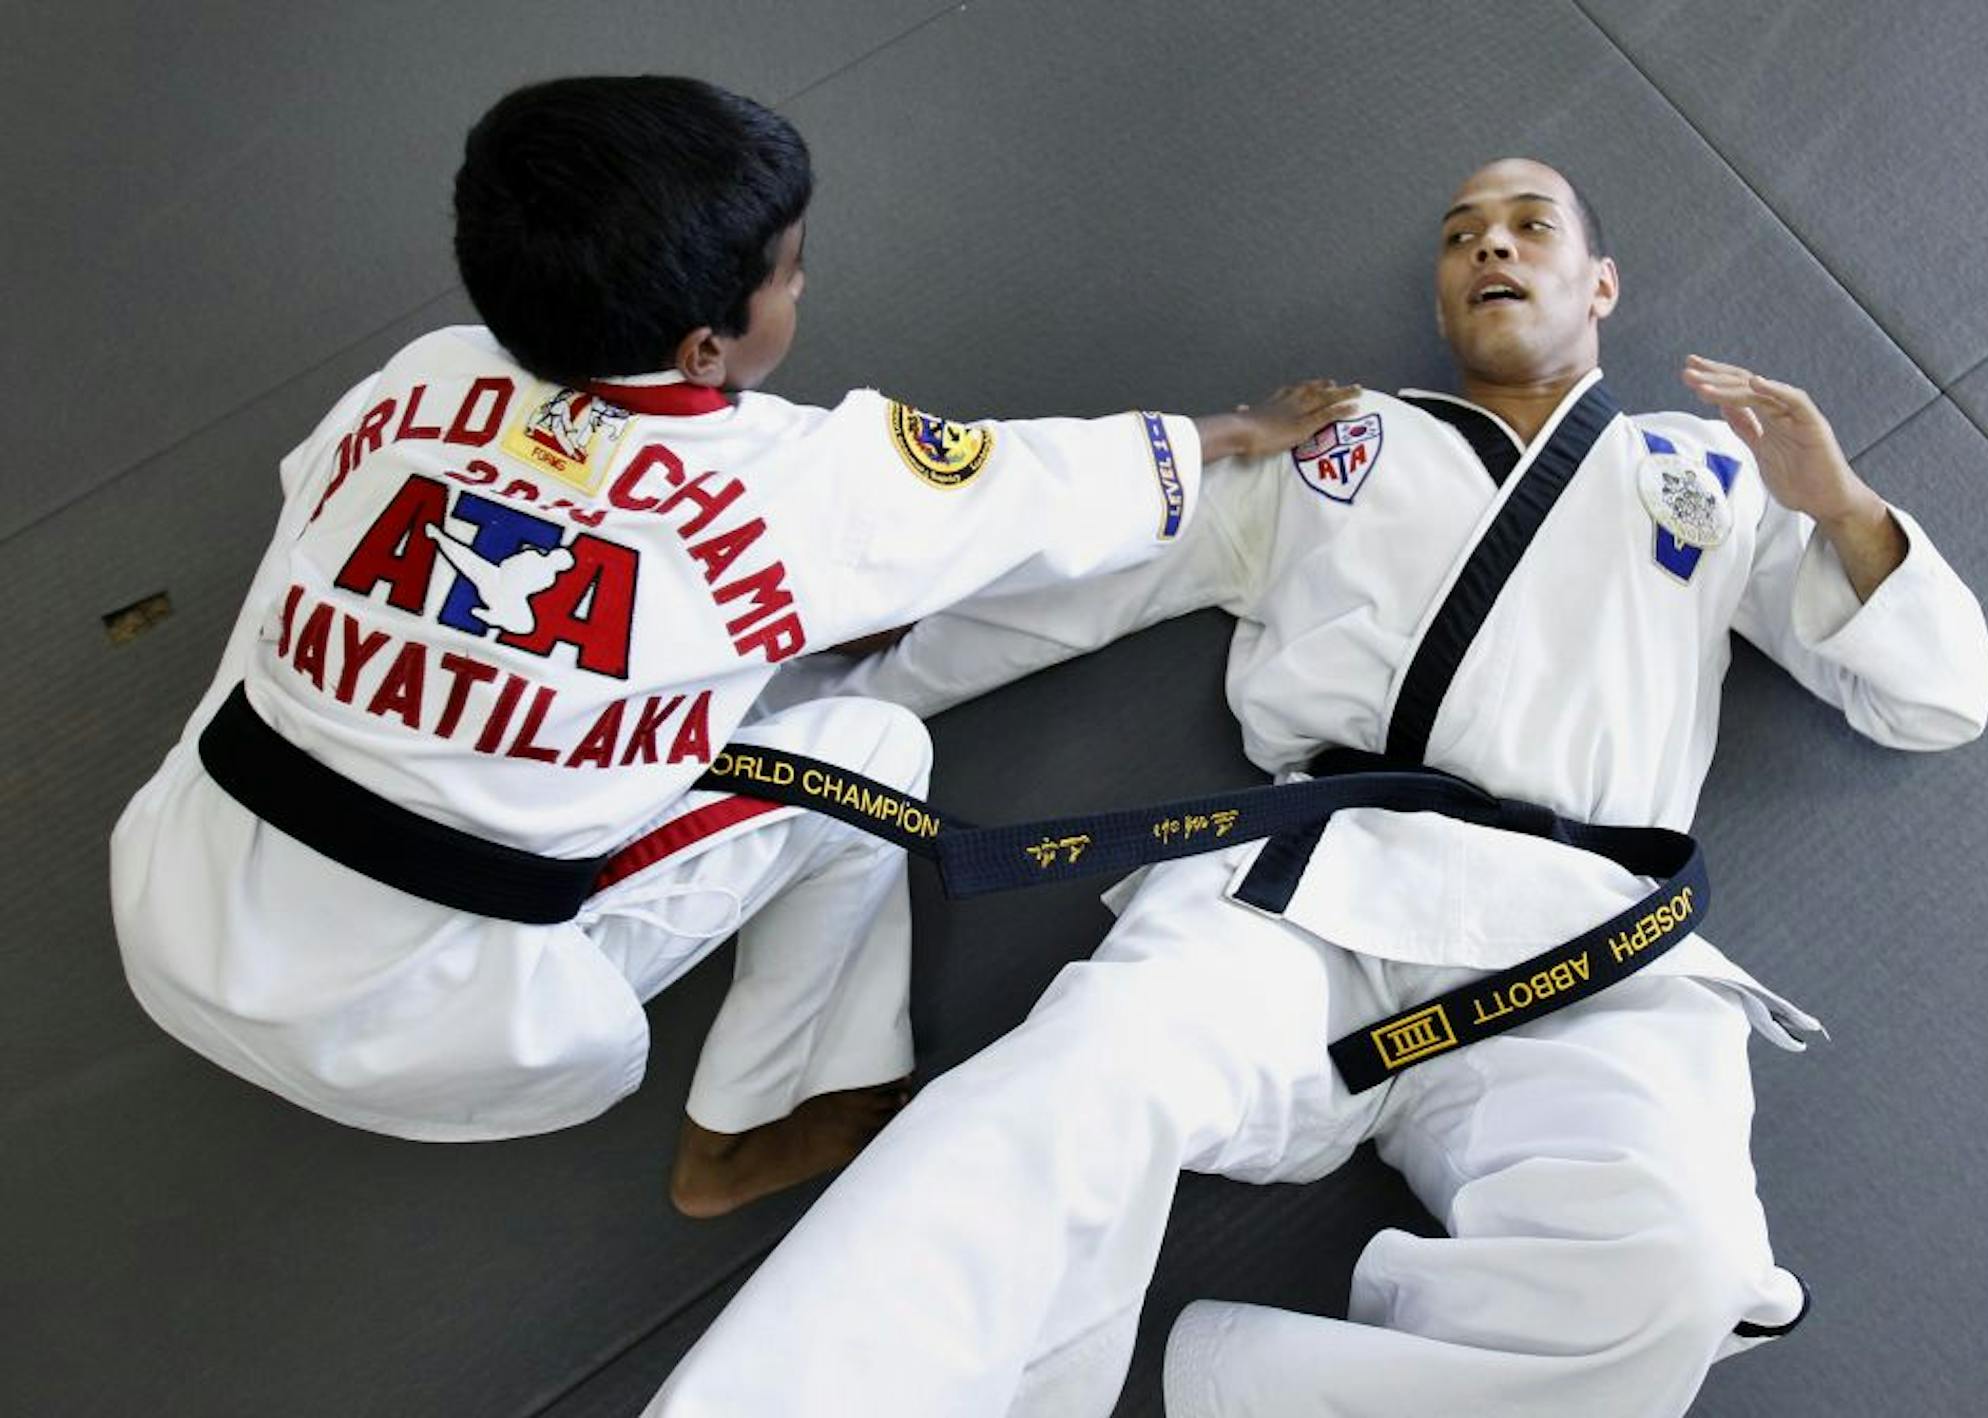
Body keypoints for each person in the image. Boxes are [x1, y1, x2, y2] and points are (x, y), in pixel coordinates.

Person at [639, 157, 1988, 1414]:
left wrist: (1841, 506)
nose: (1490, 248)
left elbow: (1933, 699)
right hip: (1308, 910)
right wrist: (808, 707)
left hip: (1579, 957)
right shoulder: (1339, 444)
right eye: (1462, 237)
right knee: (1070, 1078)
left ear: (1600, 283)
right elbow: (1090, 586)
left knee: (1675, 1274)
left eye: (1529, 226)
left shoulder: (1705, 471)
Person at [107, 75, 1356, 1217]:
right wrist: (1229, 431)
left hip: (178, 904)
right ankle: (748, 1123)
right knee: (870, 749)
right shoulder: (802, 481)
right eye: (791, 272)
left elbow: (315, 499)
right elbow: (1033, 488)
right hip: (451, 1029)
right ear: (706, 347)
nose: (800, 288)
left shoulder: (416, 377)